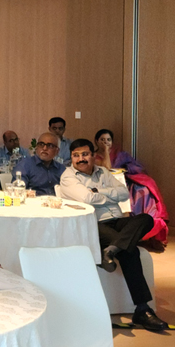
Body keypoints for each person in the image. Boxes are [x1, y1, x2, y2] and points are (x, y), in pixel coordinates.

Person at [59, 139, 167, 331]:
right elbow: (86, 198)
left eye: (85, 154)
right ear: (72, 158)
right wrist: (107, 194)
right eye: (76, 155)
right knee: (130, 251)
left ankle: (111, 250)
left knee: (145, 219)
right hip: (93, 224)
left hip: (118, 221)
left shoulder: (104, 172)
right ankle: (142, 309)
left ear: (93, 155)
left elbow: (124, 193)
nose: (80, 159)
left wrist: (96, 192)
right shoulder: (68, 177)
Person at [94, 129, 168, 244]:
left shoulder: (119, 154)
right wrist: (106, 152)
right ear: (96, 141)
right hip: (106, 184)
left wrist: (127, 169)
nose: (106, 142)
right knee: (129, 194)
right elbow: (107, 169)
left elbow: (135, 166)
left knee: (145, 190)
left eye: (108, 140)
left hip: (124, 180)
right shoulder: (94, 156)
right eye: (102, 140)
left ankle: (151, 227)